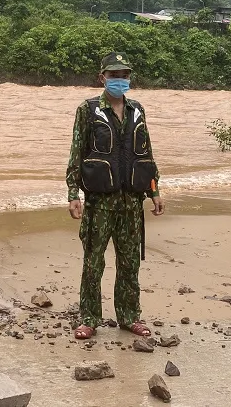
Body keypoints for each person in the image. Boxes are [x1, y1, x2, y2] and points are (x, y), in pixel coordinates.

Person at [65, 52, 164, 340]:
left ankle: (130, 316)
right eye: (113, 76)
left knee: (130, 262)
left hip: (132, 202)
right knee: (93, 262)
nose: (119, 80)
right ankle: (89, 318)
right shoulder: (88, 110)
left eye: (124, 76)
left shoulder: (137, 110)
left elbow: (146, 154)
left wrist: (155, 191)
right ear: (102, 78)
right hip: (99, 203)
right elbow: (76, 154)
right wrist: (73, 193)